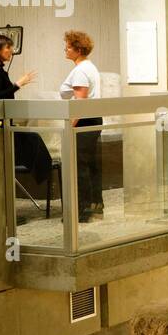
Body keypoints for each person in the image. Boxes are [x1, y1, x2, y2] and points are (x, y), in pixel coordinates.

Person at [0, 34, 52, 185]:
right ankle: (47, 178)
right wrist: (17, 84)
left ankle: (46, 177)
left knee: (32, 139)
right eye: (8, 47)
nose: (11, 51)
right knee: (33, 140)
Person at [60, 30, 104, 223]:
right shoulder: (89, 67)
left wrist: (69, 126)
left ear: (78, 49)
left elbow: (80, 102)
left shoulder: (80, 70)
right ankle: (95, 205)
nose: (65, 49)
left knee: (80, 165)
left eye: (68, 47)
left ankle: (82, 209)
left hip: (84, 120)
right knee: (90, 163)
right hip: (93, 118)